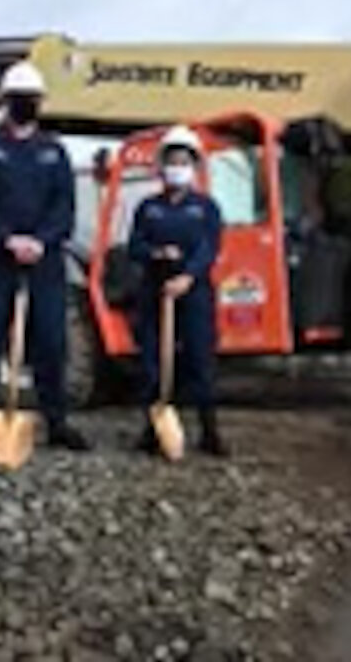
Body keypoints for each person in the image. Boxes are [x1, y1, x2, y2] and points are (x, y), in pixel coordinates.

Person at [0, 61, 92, 457]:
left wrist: (41, 241)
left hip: (45, 262)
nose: (25, 105)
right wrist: (6, 239)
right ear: (4, 102)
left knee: (51, 342)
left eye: (31, 99)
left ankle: (57, 422)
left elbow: (64, 208)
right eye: (19, 99)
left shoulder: (54, 151)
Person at [128, 125, 229, 457]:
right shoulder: (148, 208)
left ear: (194, 166)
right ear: (161, 165)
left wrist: (187, 277)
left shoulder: (206, 208)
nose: (177, 167)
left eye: (184, 161)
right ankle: (152, 428)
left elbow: (209, 248)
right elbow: (134, 246)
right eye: (172, 160)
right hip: (153, 290)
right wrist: (157, 254)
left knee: (200, 360)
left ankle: (209, 431)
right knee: (153, 361)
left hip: (194, 292)